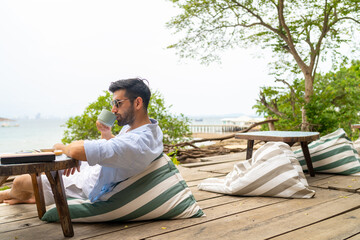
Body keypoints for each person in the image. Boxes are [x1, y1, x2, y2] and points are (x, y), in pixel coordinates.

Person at [0, 78, 164, 205]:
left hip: (87, 183)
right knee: (48, 162)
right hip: (92, 169)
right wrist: (106, 133)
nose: (113, 109)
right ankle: (30, 196)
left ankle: (10, 195)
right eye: (113, 103)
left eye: (118, 103)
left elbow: (80, 151)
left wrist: (67, 149)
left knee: (20, 181)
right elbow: (121, 148)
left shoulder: (138, 142)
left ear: (137, 102)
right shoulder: (147, 129)